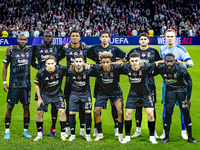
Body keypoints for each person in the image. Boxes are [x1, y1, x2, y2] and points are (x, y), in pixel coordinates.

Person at [6, 29, 67, 137]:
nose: (48, 38)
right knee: (41, 106)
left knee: (55, 106)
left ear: (52, 38)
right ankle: (40, 129)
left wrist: (81, 43)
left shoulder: (57, 47)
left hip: (54, 80)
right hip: (42, 82)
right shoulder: (36, 48)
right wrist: (40, 69)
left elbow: (65, 52)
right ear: (43, 38)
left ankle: (53, 127)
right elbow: (30, 58)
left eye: (50, 37)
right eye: (46, 37)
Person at [87, 30, 126, 137]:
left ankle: (116, 126)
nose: (104, 38)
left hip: (113, 78)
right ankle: (96, 127)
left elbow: (125, 58)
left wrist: (113, 63)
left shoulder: (114, 49)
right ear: (100, 38)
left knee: (114, 105)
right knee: (99, 104)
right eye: (102, 36)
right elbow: (85, 53)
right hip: (99, 78)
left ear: (109, 38)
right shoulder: (95, 48)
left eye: (106, 36)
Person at [152, 53, 197, 144]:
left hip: (181, 91)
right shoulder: (161, 68)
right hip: (170, 91)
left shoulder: (180, 69)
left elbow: (189, 81)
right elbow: (149, 73)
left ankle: (190, 137)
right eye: (167, 61)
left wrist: (188, 98)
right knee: (168, 112)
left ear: (175, 62)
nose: (169, 63)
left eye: (171, 61)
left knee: (185, 112)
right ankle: (166, 137)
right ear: (164, 61)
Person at [120, 52, 164, 144]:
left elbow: (157, 63)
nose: (134, 63)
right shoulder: (126, 67)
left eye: (136, 60)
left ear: (140, 61)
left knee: (151, 115)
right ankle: (127, 136)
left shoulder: (146, 67)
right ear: (129, 62)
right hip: (133, 94)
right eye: (132, 61)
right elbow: (116, 64)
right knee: (128, 115)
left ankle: (152, 137)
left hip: (145, 94)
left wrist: (170, 61)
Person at [126, 32, 161, 138]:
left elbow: (158, 65)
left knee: (151, 107)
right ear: (139, 40)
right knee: (137, 107)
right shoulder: (134, 51)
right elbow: (128, 65)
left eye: (145, 39)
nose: (143, 41)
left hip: (150, 84)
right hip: (136, 83)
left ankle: (153, 131)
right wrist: (130, 77)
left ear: (148, 40)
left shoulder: (153, 52)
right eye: (141, 39)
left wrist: (151, 74)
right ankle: (138, 130)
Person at [160, 29, 194, 139]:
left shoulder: (180, 49)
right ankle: (165, 132)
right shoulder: (162, 48)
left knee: (183, 108)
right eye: (167, 36)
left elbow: (190, 63)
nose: (170, 38)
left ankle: (184, 131)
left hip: (181, 85)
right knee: (166, 108)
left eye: (172, 36)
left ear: (175, 37)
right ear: (164, 37)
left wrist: (181, 64)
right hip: (167, 84)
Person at [3, 33, 37, 139]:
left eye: (24, 40)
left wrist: (44, 69)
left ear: (27, 41)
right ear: (17, 40)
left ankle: (25, 131)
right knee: (10, 107)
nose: (22, 41)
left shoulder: (30, 51)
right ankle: (7, 131)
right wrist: (4, 82)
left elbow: (33, 64)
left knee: (26, 107)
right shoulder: (11, 51)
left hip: (26, 85)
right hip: (13, 84)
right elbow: (5, 67)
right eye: (21, 39)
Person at [59, 29, 89, 137]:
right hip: (69, 82)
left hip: (83, 82)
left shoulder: (85, 49)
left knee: (82, 106)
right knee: (68, 105)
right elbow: (56, 57)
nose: (75, 37)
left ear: (80, 38)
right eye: (73, 36)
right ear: (70, 38)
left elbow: (97, 58)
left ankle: (82, 129)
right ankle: (67, 127)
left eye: (77, 36)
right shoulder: (66, 49)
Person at [33, 55, 68, 141]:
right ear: (45, 64)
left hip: (57, 94)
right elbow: (36, 84)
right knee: (39, 112)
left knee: (62, 111)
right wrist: (39, 98)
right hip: (45, 94)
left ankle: (63, 134)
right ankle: (39, 134)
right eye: (48, 63)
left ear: (55, 63)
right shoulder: (41, 72)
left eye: (52, 63)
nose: (50, 65)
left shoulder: (61, 69)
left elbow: (71, 69)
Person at [92, 51, 124, 142]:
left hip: (116, 93)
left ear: (111, 62)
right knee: (96, 111)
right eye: (103, 62)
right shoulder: (97, 68)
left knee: (120, 112)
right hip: (103, 93)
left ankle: (120, 134)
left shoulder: (116, 68)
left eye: (107, 62)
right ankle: (99, 134)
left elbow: (127, 65)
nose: (105, 64)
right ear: (100, 63)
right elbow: (86, 65)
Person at [67, 55, 94, 142]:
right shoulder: (70, 71)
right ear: (74, 63)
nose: (78, 63)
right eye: (77, 61)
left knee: (88, 113)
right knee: (71, 113)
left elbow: (99, 68)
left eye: (80, 61)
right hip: (74, 94)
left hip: (86, 94)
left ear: (83, 62)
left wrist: (90, 65)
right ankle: (72, 135)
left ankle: (88, 135)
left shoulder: (88, 71)